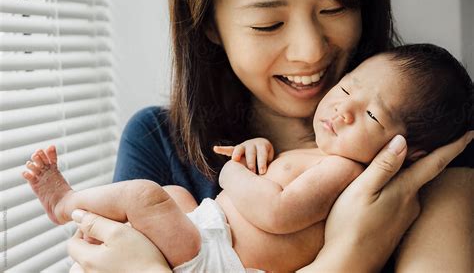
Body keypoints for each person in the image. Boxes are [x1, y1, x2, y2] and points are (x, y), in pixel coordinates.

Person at [66, 0, 474, 272]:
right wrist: (349, 257)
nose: (310, 51)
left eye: (334, 9)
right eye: (268, 24)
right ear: (209, 23)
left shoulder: (431, 141)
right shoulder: (156, 139)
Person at [24, 44, 473, 271]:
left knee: (146, 196)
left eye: (372, 114)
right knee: (174, 194)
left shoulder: (345, 169)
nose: (343, 109)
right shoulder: (154, 134)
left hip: (220, 255)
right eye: (348, 87)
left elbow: (277, 212)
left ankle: (67, 202)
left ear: (406, 150)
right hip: (209, 231)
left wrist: (232, 171)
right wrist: (258, 154)